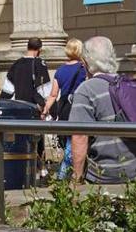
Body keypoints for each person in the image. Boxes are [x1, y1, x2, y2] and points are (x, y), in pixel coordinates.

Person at [67, 36, 136, 185]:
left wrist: (77, 178)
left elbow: (79, 136)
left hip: (104, 177)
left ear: (85, 62)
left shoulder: (86, 90)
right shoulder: (135, 86)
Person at [39, 38, 88, 180]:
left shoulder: (60, 70)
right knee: (74, 140)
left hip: (64, 108)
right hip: (79, 106)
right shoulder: (83, 68)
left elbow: (53, 94)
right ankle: (63, 174)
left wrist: (45, 109)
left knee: (68, 139)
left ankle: (67, 173)